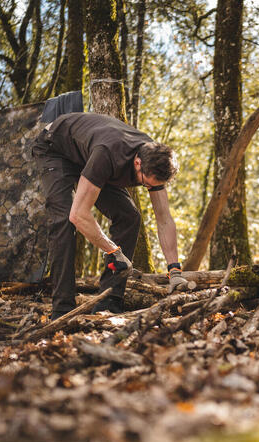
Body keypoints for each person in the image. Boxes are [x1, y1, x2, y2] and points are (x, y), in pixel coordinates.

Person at [31, 111, 190, 318]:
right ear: (137, 163)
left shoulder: (155, 158)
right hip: (55, 148)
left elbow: (164, 218)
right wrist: (113, 251)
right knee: (63, 220)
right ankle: (62, 309)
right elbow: (78, 215)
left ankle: (109, 301)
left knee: (130, 216)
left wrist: (174, 270)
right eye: (146, 184)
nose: (148, 188)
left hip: (90, 154)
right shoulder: (108, 154)